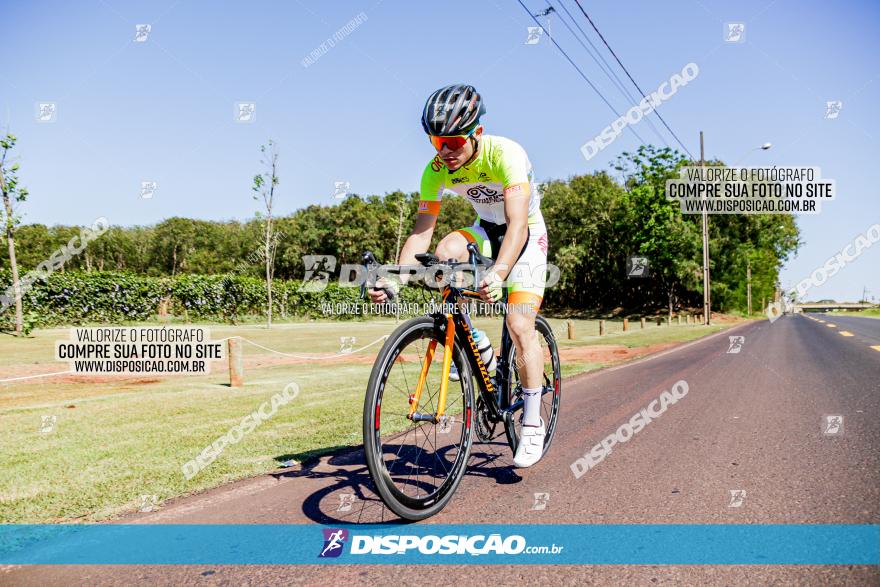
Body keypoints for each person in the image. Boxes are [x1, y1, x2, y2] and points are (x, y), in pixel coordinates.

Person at [369, 83, 550, 468]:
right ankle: (477, 343)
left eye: (454, 140)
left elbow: (517, 225)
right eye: (437, 141)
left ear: (476, 134)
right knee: (445, 252)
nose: (446, 151)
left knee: (519, 326)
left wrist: (500, 273)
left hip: (526, 235)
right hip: (485, 230)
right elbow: (422, 230)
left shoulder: (507, 154)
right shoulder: (435, 170)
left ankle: (532, 422)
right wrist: (396, 278)